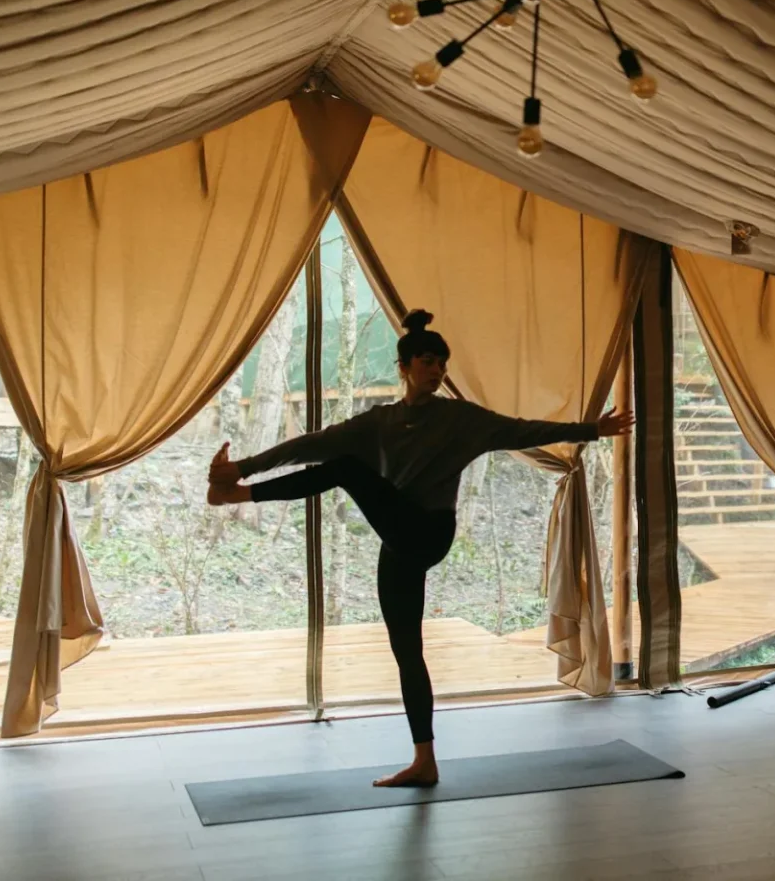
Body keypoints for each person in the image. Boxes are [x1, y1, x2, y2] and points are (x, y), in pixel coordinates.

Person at [205, 309, 632, 787]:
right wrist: (244, 463)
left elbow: (524, 430)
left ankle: (236, 498)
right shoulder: (379, 422)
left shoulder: (462, 419)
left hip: (429, 532)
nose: (437, 370)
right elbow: (310, 445)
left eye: (442, 363)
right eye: (428, 361)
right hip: (397, 540)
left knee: (346, 469)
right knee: (407, 651)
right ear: (404, 367)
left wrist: (592, 430)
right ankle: (424, 760)